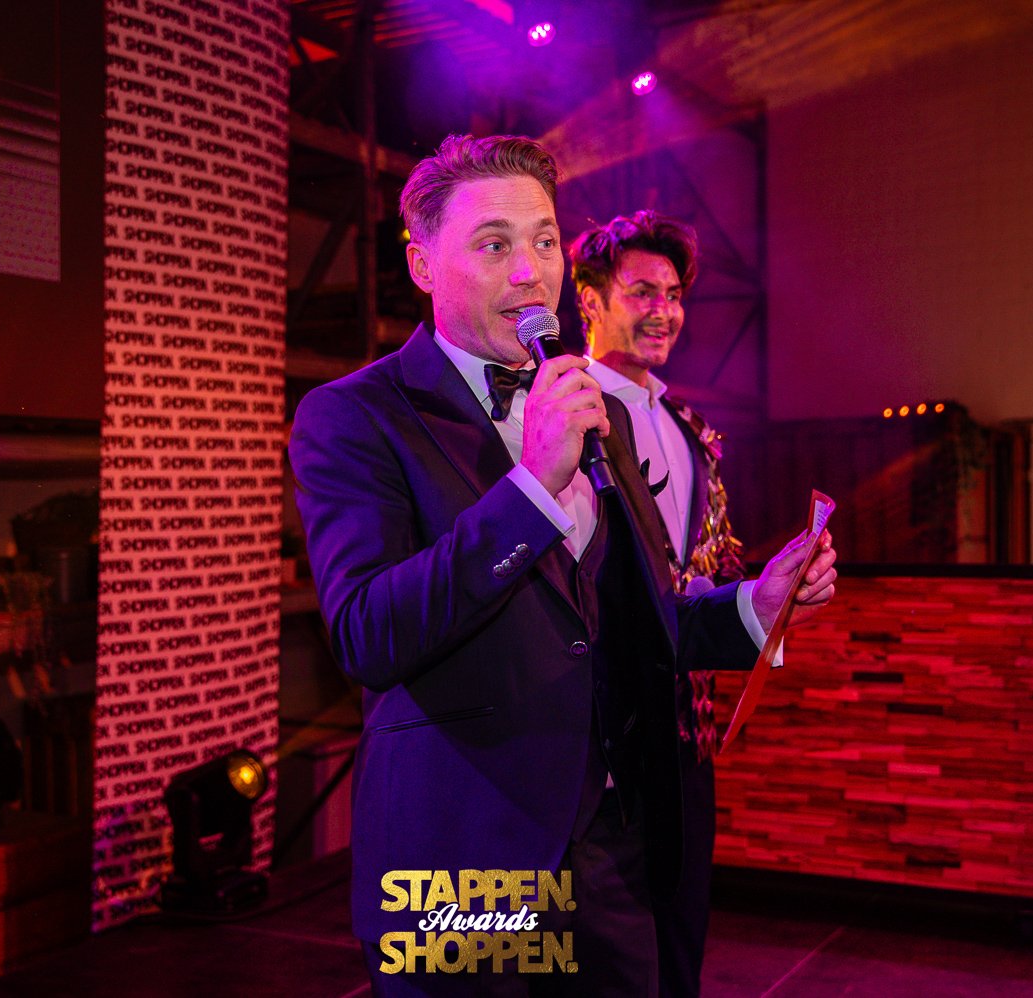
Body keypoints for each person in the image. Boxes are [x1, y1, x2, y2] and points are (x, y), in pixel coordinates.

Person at [288, 134, 836, 996]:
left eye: (543, 241)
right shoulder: (356, 415)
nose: (529, 272)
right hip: (464, 859)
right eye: (494, 244)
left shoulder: (587, 405)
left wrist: (752, 609)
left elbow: (633, 613)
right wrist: (532, 489)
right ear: (423, 264)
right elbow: (369, 634)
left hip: (610, 846)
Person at [571, 210, 745, 998]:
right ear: (590, 300)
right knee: (601, 967)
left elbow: (712, 563)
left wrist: (770, 591)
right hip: (596, 740)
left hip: (686, 738)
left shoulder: (690, 428)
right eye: (642, 291)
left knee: (680, 946)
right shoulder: (559, 414)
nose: (663, 311)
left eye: (673, 295)